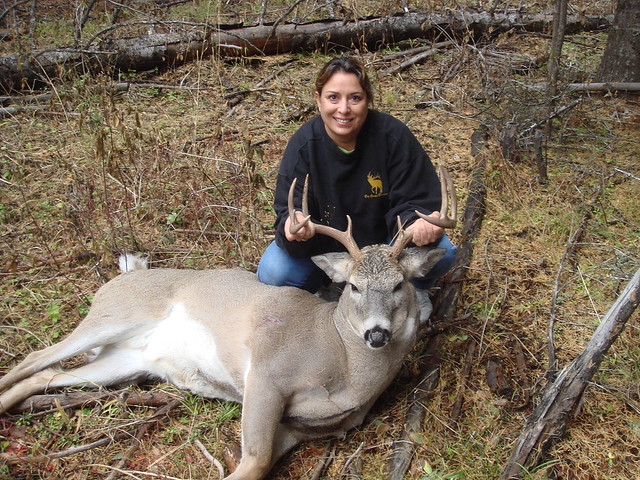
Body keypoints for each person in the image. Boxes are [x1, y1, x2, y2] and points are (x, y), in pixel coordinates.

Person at [257, 56, 456, 320]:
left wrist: (417, 222)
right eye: (333, 97)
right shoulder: (304, 147)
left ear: (368, 100)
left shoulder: (392, 136)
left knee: (443, 252)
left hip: (388, 250)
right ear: (318, 99)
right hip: (332, 252)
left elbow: (418, 197)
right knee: (275, 271)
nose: (343, 109)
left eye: (354, 98)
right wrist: (293, 228)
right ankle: (327, 287)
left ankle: (410, 290)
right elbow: (288, 210)